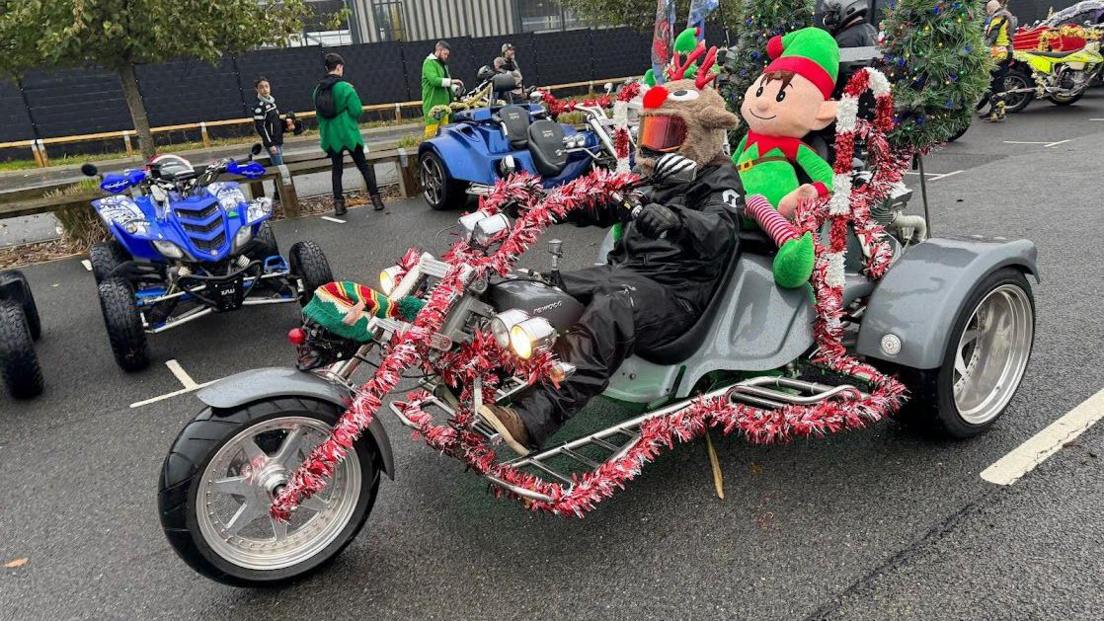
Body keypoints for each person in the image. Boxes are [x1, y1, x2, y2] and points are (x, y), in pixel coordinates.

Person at [476, 76, 743, 456]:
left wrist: (677, 220)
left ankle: (535, 417)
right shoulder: (654, 177)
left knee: (613, 306)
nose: (656, 142)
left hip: (678, 292)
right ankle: (481, 376)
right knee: (541, 289)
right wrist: (539, 201)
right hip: (626, 275)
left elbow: (723, 230)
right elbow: (603, 204)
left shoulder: (719, 177)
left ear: (700, 132)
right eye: (652, 129)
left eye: (670, 130)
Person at [313, 53, 383, 216]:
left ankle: (339, 205)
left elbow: (319, 115)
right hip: (349, 134)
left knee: (336, 170)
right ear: (339, 67)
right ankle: (376, 200)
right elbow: (357, 111)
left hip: (331, 136)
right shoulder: (345, 87)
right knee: (364, 167)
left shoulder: (317, 90)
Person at [422, 40, 463, 139]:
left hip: (444, 108)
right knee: (431, 137)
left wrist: (455, 88)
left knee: (444, 138)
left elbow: (446, 82)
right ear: (439, 50)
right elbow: (434, 81)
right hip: (433, 107)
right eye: (445, 54)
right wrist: (452, 81)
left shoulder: (442, 65)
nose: (446, 57)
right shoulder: (429, 63)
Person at [984, 0, 1017, 122]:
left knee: (991, 82)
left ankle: (994, 112)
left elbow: (992, 36)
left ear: (991, 9)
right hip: (1008, 51)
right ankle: (1000, 109)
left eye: (988, 10)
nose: (987, 13)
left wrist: (982, 48)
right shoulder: (1009, 16)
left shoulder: (998, 18)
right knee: (999, 81)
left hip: (998, 52)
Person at [251, 77, 287, 165]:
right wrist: (270, 144)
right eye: (261, 87)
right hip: (272, 142)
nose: (265, 89)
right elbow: (260, 127)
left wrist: (287, 125)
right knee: (280, 168)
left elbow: (276, 122)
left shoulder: (271, 102)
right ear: (257, 89)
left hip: (278, 140)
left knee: (279, 167)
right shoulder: (259, 107)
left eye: (267, 86)